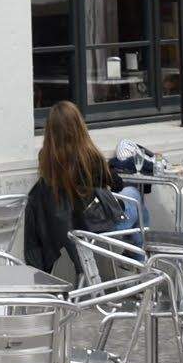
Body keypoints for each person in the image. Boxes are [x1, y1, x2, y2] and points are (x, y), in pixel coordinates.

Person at [22, 101, 124, 276]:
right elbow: (115, 183)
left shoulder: (46, 158)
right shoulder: (89, 156)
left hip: (65, 226)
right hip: (95, 225)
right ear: (78, 125)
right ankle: (134, 262)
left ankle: (132, 263)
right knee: (134, 197)